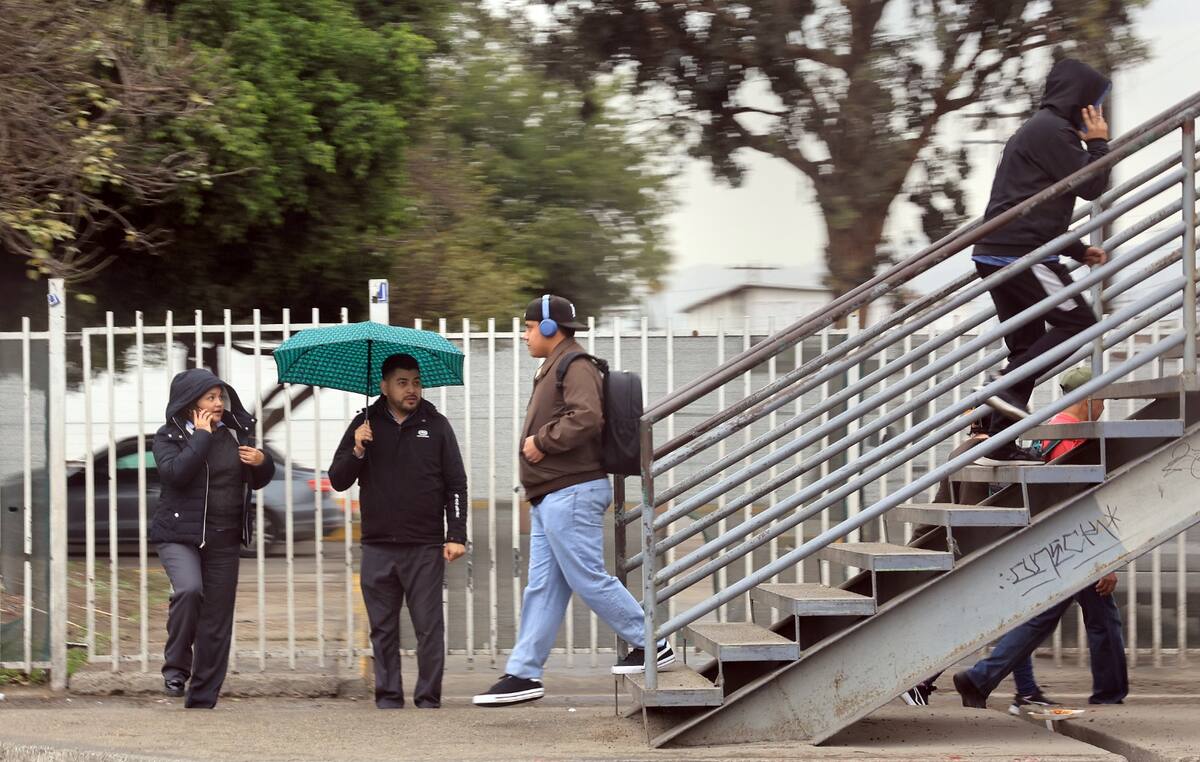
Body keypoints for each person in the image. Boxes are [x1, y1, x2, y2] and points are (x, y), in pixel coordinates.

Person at [472, 294, 674, 707]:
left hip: (572, 491)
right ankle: (524, 673)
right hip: (552, 494)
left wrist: (542, 442)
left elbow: (586, 417)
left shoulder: (574, 364)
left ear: (550, 328)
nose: (525, 335)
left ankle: (651, 642)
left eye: (529, 327)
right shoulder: (555, 365)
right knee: (543, 588)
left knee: (586, 576)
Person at [952, 366, 1128, 712]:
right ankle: (981, 677)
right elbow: (1077, 500)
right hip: (1070, 544)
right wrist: (1106, 557)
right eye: (1102, 400)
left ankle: (1108, 692)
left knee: (1099, 615)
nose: (1104, 407)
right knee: (1043, 617)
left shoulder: (1047, 431)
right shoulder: (1072, 437)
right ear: (1088, 398)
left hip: (1054, 540)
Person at [972, 57, 1112, 466]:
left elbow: (1033, 201)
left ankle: (996, 440)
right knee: (1078, 323)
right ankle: (1003, 389)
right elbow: (1091, 184)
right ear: (1080, 100)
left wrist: (1075, 249)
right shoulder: (1053, 131)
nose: (1098, 112)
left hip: (1001, 250)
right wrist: (1098, 143)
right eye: (1095, 103)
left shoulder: (1041, 130)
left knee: (1026, 346)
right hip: (1022, 253)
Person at [329, 353, 467, 709]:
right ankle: (389, 697)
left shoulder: (437, 426)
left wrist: (456, 534)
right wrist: (357, 448)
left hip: (424, 545)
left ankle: (428, 698)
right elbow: (338, 479)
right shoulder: (364, 424)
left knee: (428, 627)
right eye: (403, 383)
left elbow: (456, 484)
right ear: (384, 386)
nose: (411, 390)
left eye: (416, 382)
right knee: (383, 628)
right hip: (378, 546)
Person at [151, 368, 274, 708]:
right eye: (211, 397)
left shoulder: (234, 433)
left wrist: (262, 463)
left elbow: (257, 479)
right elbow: (176, 474)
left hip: (224, 536)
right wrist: (201, 436)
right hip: (179, 534)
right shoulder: (168, 436)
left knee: (217, 619)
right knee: (190, 590)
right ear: (191, 402)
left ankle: (203, 697)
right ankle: (176, 669)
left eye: (221, 397)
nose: (219, 403)